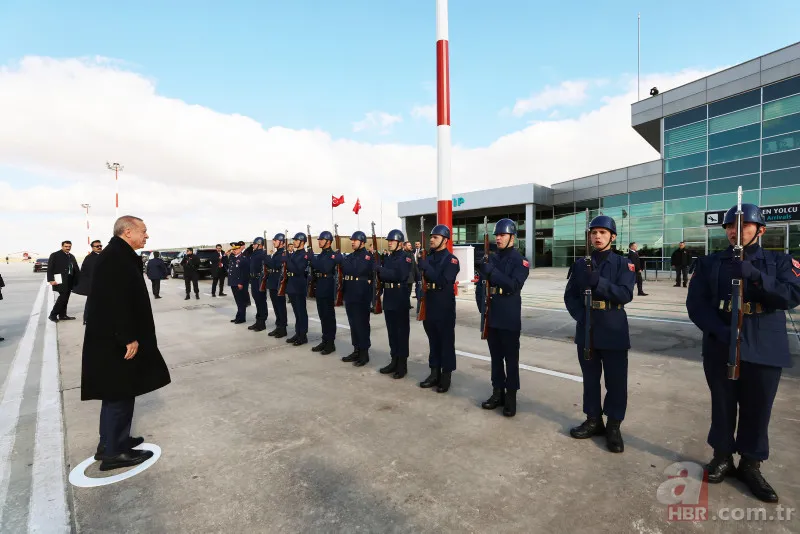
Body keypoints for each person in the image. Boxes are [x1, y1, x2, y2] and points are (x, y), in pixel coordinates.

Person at [686, 203, 799, 503]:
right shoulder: (710, 263)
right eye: (731, 226)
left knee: (758, 407)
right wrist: (719, 331)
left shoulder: (779, 261)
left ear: (760, 230)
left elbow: (792, 295)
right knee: (722, 403)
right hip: (722, 341)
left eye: (744, 225)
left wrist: (757, 276)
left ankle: (751, 463)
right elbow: (696, 304)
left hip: (765, 342)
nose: (736, 230)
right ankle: (722, 455)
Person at [81, 215, 171, 471]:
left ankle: (110, 443)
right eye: (143, 231)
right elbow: (114, 301)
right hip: (116, 340)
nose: (146, 235)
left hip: (113, 337)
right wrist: (127, 337)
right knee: (119, 393)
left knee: (116, 392)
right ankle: (114, 453)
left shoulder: (117, 255)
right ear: (127, 232)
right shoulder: (115, 258)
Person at [564, 215, 635, 452]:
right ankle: (593, 419)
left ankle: (613, 425)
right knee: (591, 379)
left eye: (603, 232)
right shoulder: (579, 264)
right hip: (588, 328)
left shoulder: (623, 264)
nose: (597, 236)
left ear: (612, 237)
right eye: (594, 232)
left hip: (613, 327)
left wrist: (599, 283)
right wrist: (582, 317)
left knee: (616, 382)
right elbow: (570, 297)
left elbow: (625, 294)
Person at [478, 219, 530, 417]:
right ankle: (497, 392)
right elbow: (481, 287)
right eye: (496, 235)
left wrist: (492, 271)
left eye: (502, 235)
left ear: (512, 237)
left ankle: (511, 397)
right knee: (495, 358)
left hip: (508, 314)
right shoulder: (490, 258)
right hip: (492, 314)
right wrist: (482, 308)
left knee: (511, 358)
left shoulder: (520, 261)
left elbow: (513, 285)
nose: (498, 238)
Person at [417, 225, 460, 393]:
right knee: (433, 340)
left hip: (444, 305)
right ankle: (434, 372)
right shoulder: (428, 257)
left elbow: (443, 280)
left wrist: (425, 267)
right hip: (430, 302)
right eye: (431, 237)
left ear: (445, 240)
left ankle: (446, 375)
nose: (432, 239)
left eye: (435, 237)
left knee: (446, 342)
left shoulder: (451, 260)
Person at [377, 230, 412, 379]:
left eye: (392, 240)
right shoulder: (389, 258)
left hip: (400, 297)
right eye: (388, 240)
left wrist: (381, 270)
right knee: (392, 332)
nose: (389, 242)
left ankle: (402, 365)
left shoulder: (406, 258)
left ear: (399, 242)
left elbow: (398, 275)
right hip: (389, 297)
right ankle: (394, 360)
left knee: (401, 333)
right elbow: (387, 274)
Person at [341, 230, 374, 367]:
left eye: (355, 240)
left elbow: (356, 270)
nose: (352, 242)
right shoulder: (350, 256)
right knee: (353, 324)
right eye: (352, 240)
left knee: (362, 324)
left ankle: (364, 353)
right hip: (350, 293)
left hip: (362, 294)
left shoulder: (368, 257)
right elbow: (346, 269)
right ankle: (356, 349)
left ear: (362, 242)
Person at [309, 230, 342, 355]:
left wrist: (312, 258)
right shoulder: (322, 254)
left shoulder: (332, 255)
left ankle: (330, 343)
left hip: (328, 286)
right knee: (322, 315)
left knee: (329, 316)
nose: (319, 241)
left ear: (328, 241)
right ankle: (325, 339)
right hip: (320, 285)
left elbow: (324, 268)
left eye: (321, 239)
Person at [47, 240, 81, 322]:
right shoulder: (55, 255)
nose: (68, 248)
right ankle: (53, 315)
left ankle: (62, 315)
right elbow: (50, 268)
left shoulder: (71, 256)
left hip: (70, 280)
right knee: (62, 298)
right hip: (60, 280)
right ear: (62, 246)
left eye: (69, 246)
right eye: (66, 246)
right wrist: (51, 280)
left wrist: (79, 279)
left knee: (65, 298)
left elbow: (76, 268)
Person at [286, 232, 310, 346]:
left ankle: (303, 335)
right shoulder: (295, 254)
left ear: (302, 242)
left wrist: (287, 259)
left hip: (299, 285)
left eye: (296, 240)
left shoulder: (304, 255)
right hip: (291, 284)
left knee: (301, 311)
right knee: (296, 312)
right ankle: (298, 332)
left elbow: (298, 270)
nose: (294, 242)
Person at [72, 240, 103, 325]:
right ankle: (87, 319)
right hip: (93, 285)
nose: (99, 247)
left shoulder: (104, 255)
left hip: (103, 284)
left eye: (100, 245)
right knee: (91, 302)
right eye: (97, 246)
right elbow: (87, 273)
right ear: (92, 248)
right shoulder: (89, 258)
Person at [265, 233, 289, 338]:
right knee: (276, 306)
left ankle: (283, 328)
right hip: (273, 282)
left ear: (282, 242)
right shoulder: (276, 253)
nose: (273, 242)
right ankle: (278, 326)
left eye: (275, 240)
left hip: (278, 283)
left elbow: (275, 265)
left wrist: (266, 258)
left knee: (280, 307)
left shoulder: (283, 254)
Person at [247, 237, 268, 332]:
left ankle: (262, 323)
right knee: (257, 302)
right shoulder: (254, 253)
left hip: (259, 280)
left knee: (261, 302)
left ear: (259, 245)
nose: (253, 245)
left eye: (255, 244)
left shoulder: (263, 254)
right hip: (254, 280)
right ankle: (258, 321)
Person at [227, 242, 249, 324]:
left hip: (239, 283)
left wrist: (241, 282)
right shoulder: (233, 258)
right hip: (233, 282)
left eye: (236, 249)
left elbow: (244, 273)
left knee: (241, 301)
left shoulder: (243, 259)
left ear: (240, 249)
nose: (234, 250)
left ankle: (242, 318)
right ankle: (238, 316)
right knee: (238, 301)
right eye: (233, 249)